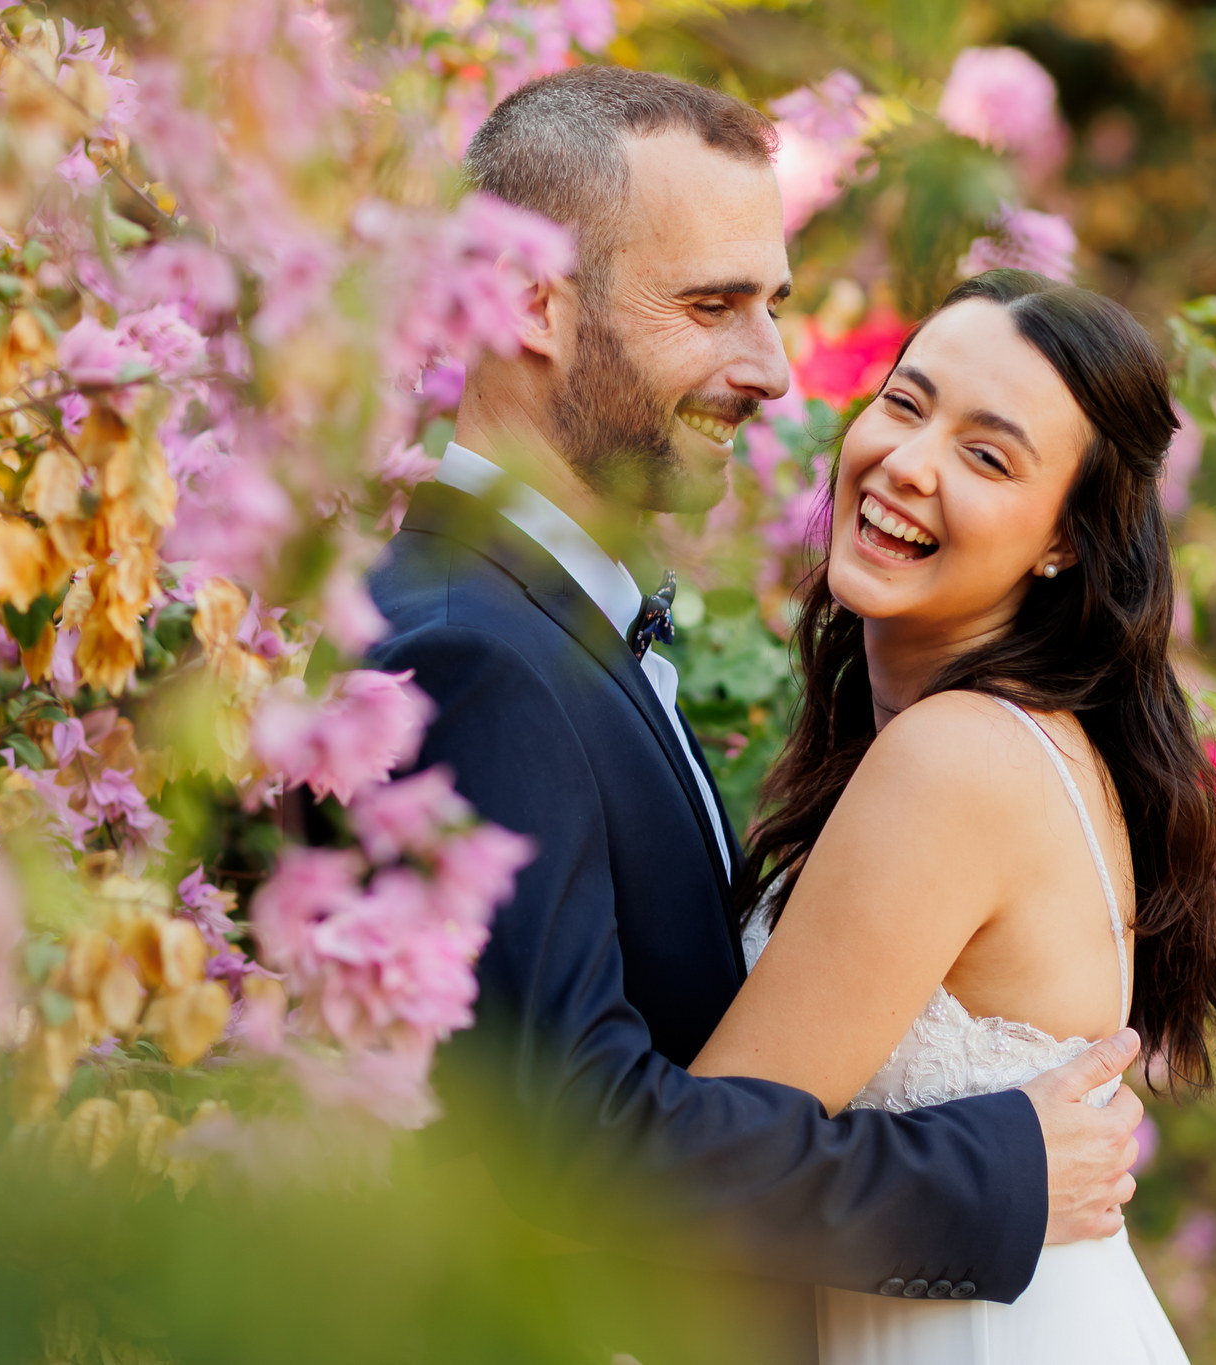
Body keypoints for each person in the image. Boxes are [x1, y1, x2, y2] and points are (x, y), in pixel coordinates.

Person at [367, 67, 1147, 1364]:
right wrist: (998, 1167)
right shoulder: (477, 653)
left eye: (773, 307)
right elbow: (577, 1149)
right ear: (523, 305)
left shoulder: (554, 628)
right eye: (712, 306)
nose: (775, 372)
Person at [690, 269, 1216, 1363]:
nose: (906, 463)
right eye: (904, 403)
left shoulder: (957, 758)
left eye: (985, 456)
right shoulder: (1008, 738)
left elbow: (709, 1167)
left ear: (1064, 543)